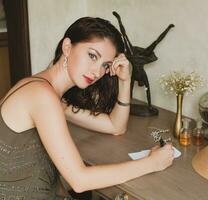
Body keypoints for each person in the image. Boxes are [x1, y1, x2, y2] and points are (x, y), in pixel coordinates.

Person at [0, 17, 174, 199]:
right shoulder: (42, 96)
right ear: (67, 47)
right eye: (92, 56)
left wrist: (125, 80)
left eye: (105, 66)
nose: (97, 72)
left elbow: (115, 126)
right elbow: (79, 181)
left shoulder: (45, 91)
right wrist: (152, 163)